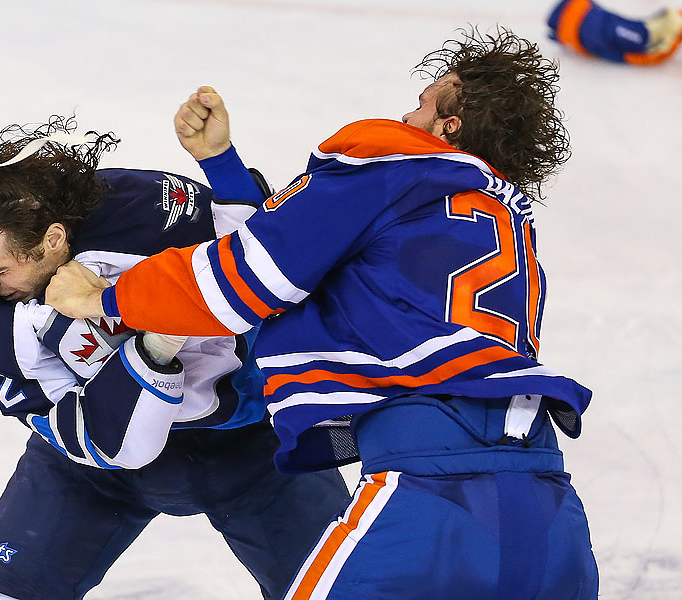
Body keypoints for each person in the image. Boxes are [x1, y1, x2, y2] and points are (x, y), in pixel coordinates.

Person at [45, 28, 599, 599]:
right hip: (547, 497)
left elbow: (247, 280)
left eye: (424, 102)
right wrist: (223, 166)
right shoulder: (509, 222)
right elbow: (311, 252)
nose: (408, 111)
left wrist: (106, 299)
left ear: (448, 126)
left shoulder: (391, 165)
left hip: (430, 486)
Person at [0, 87, 350, 600]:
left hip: (258, 448)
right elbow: (113, 445)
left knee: (355, 592)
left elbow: (266, 258)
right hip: (96, 471)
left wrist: (220, 163)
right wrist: (151, 343)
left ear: (52, 238)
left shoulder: (142, 208)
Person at [547, 0, 682, 64]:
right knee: (639, 39)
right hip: (575, 25)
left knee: (638, 37)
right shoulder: (640, 39)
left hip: (574, 22)